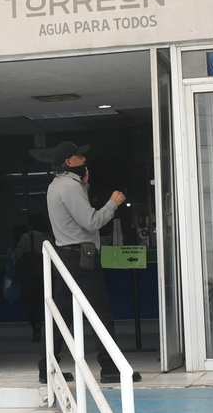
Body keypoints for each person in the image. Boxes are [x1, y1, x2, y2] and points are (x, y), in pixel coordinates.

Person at [42, 141, 141, 385]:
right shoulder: (71, 187)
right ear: (69, 162)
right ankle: (110, 367)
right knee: (100, 312)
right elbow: (91, 221)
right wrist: (113, 203)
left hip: (65, 256)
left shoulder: (56, 185)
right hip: (82, 257)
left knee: (61, 314)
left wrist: (84, 186)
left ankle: (47, 368)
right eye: (79, 156)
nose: (84, 159)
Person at [14, 214, 50, 342]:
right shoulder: (47, 238)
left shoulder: (27, 236)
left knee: (29, 302)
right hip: (43, 274)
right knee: (40, 301)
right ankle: (39, 324)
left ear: (31, 224)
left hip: (28, 275)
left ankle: (34, 323)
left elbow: (18, 254)